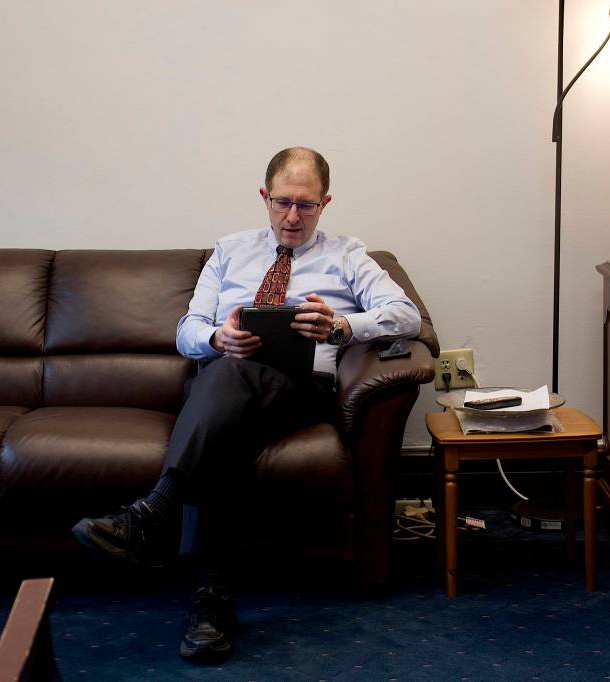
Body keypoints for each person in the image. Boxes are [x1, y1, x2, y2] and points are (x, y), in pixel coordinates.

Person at [72, 147, 421, 663]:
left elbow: (406, 316)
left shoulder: (349, 256)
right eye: (283, 203)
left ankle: (157, 518)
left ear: (325, 203)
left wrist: (343, 326)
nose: (293, 216)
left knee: (224, 396)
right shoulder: (230, 251)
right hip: (224, 384)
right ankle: (212, 602)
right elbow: (186, 330)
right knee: (225, 403)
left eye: (306, 205)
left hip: (300, 390)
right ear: (265, 197)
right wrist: (219, 338)